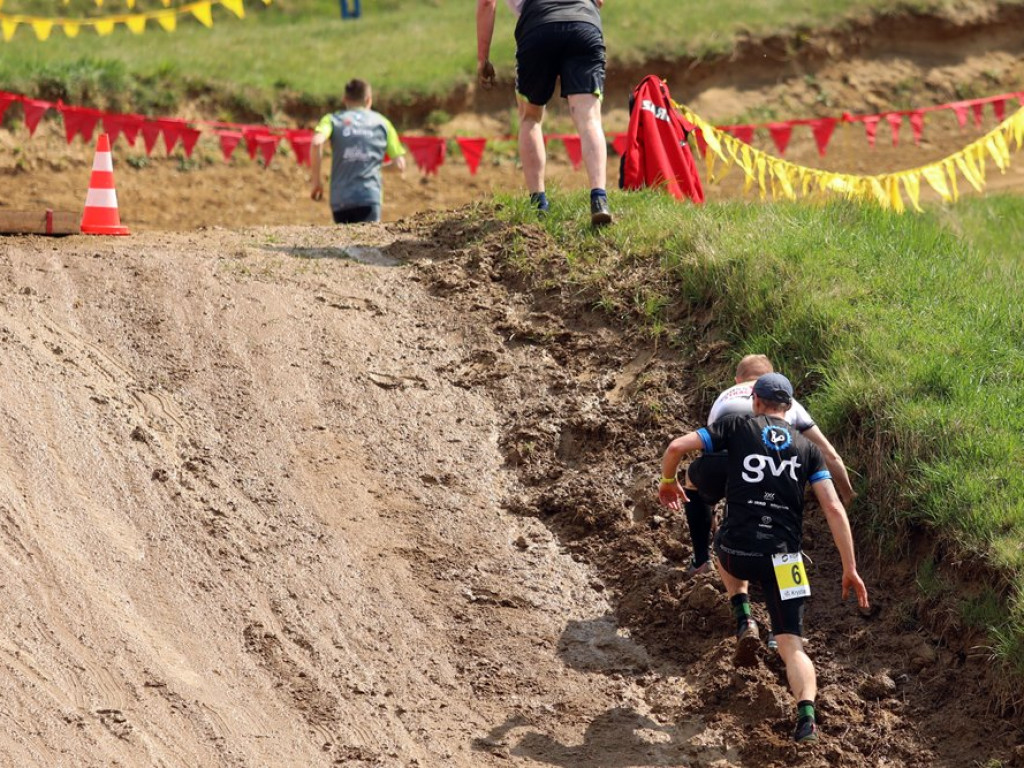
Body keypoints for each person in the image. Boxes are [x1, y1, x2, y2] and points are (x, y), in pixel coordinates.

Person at [658, 373, 869, 744]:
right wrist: (850, 568)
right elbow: (834, 508)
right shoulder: (808, 449)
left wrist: (667, 482)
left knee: (722, 530)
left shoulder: (736, 427)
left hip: (738, 550)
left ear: (755, 400)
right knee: (793, 646)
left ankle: (744, 616)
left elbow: (676, 446)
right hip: (786, 559)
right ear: (789, 408)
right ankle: (806, 718)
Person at [681, 354, 856, 578]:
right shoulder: (789, 405)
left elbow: (709, 454)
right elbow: (829, 454)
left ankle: (702, 561)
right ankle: (789, 578)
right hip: (776, 477)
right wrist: (849, 495)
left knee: (694, 483)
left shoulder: (724, 398)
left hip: (728, 470)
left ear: (738, 380)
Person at [476, 0, 613, 226]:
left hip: (538, 27)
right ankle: (599, 199)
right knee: (589, 118)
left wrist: (483, 59)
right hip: (583, 23)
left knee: (530, 118)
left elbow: (486, 3)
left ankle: (539, 205)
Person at [309, 78, 407, 224]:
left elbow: (317, 143)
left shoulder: (332, 120)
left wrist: (316, 181)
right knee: (367, 244)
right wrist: (373, 168)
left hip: (340, 198)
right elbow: (399, 165)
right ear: (368, 100)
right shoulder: (383, 123)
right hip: (369, 196)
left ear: (344, 99)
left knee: (344, 244)